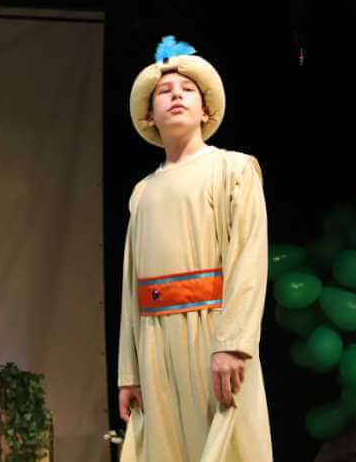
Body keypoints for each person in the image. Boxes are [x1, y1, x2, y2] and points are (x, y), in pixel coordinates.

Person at [117, 37, 272, 461]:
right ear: (149, 116)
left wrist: (233, 343)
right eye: (164, 92)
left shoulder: (233, 169)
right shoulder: (143, 191)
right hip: (155, 341)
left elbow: (248, 261)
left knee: (227, 447)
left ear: (205, 110)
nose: (176, 96)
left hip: (212, 332)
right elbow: (132, 285)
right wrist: (130, 372)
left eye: (187, 90)